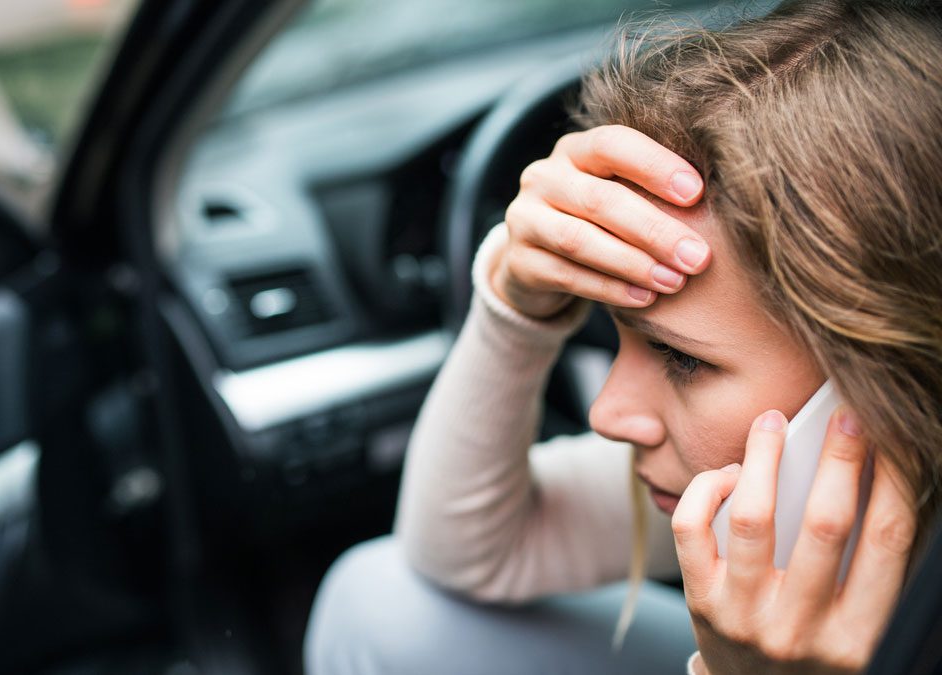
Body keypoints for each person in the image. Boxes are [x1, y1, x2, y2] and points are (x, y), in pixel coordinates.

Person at [305, 1, 942, 673]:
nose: (605, 413)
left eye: (682, 358)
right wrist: (514, 303)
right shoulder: (751, 478)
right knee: (384, 600)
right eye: (619, 337)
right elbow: (468, 550)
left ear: (896, 378)